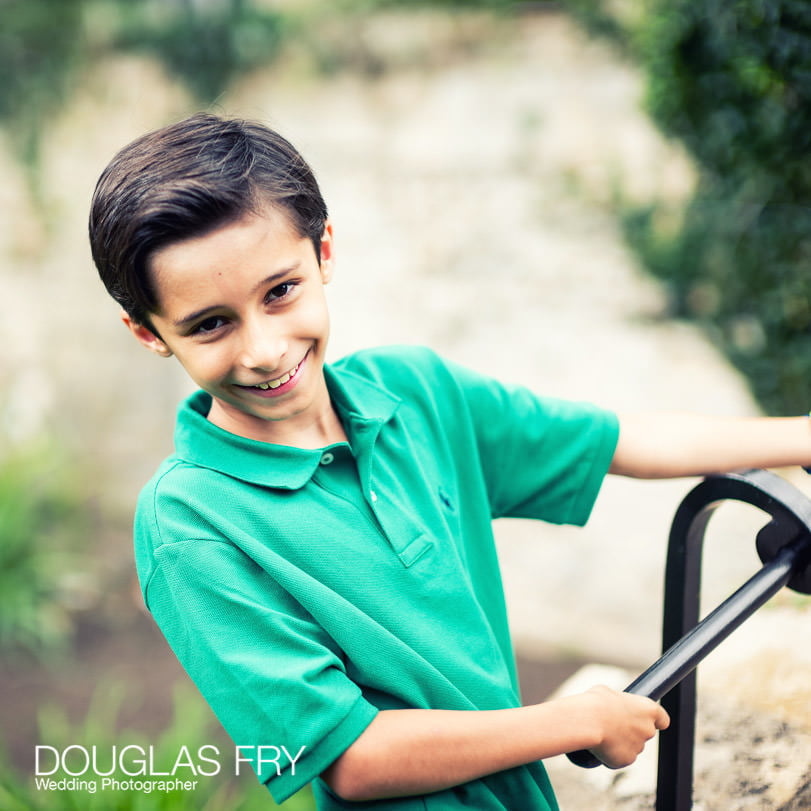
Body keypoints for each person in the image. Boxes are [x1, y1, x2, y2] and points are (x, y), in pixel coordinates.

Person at [89, 112, 811, 810]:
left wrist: (801, 435)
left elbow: (622, 440)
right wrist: (576, 721)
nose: (264, 348)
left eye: (280, 292)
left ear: (325, 251)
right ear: (147, 332)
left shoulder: (415, 391)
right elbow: (350, 758)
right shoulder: (187, 522)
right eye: (211, 324)